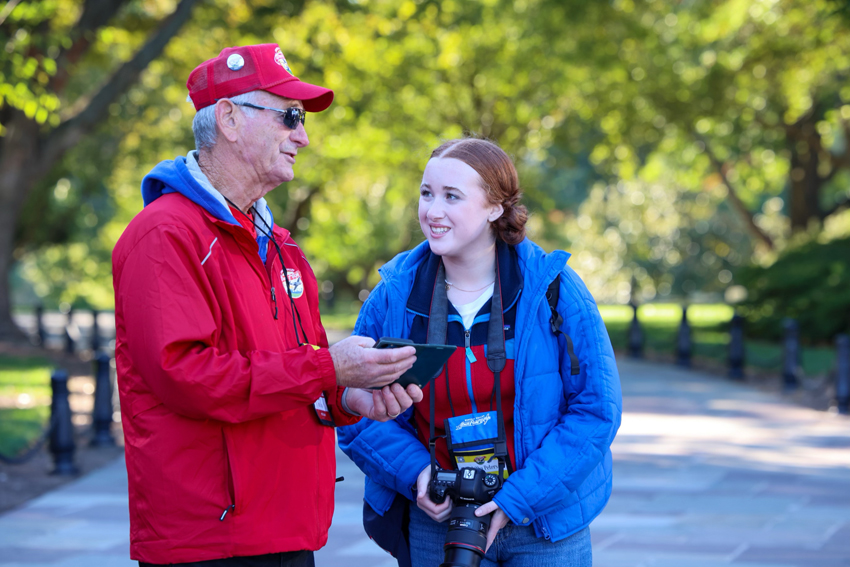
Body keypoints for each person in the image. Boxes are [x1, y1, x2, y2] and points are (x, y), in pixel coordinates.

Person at [112, 43, 422, 567]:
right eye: (289, 117)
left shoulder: (279, 242)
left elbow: (292, 378)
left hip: (285, 528)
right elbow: (188, 376)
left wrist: (347, 400)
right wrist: (329, 366)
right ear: (230, 119)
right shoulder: (163, 235)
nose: (302, 135)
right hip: (210, 541)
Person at [338, 138, 622, 567]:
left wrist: (519, 499)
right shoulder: (393, 296)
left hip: (543, 523)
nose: (433, 211)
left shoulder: (556, 290)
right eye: (427, 194)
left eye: (452, 196)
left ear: (495, 208)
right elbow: (354, 409)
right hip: (440, 519)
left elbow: (597, 410)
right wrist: (418, 473)